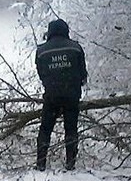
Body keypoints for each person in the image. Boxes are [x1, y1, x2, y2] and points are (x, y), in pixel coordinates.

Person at [35, 19, 88, 171]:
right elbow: (83, 74)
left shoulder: (41, 51)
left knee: (45, 129)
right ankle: (70, 163)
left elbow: (41, 74)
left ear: (50, 32)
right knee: (71, 129)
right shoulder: (76, 48)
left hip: (52, 97)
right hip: (72, 96)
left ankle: (41, 164)